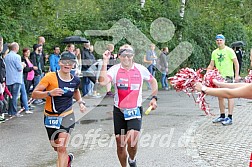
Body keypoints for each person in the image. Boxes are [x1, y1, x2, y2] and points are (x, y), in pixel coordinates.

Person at [99, 44, 158, 167]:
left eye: (129, 55)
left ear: (133, 56)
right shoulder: (115, 69)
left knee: (132, 141)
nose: (126, 58)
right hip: (119, 110)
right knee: (120, 145)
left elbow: (153, 81)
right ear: (119, 56)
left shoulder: (140, 69)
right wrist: (105, 62)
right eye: (123, 55)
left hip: (135, 109)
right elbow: (103, 81)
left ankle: (132, 159)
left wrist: (154, 98)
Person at [32, 51, 86, 167]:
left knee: (61, 148)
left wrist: (80, 102)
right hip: (50, 117)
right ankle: (67, 159)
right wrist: (49, 93)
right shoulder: (50, 77)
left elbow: (76, 91)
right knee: (56, 147)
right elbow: (34, 94)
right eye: (65, 62)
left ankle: (64, 160)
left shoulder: (75, 80)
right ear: (60, 62)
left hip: (67, 116)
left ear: (74, 65)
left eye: (71, 62)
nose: (67, 65)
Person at [206, 34, 239, 125]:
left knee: (230, 96)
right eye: (217, 40)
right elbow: (211, 65)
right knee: (220, 97)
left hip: (228, 76)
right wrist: (207, 73)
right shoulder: (214, 52)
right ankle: (222, 115)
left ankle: (230, 117)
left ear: (224, 41)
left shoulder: (229, 50)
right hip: (218, 77)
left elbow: (236, 63)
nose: (219, 42)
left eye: (220, 40)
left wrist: (236, 76)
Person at [4, 42, 24, 117]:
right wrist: (23, 65)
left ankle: (9, 111)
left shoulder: (6, 57)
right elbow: (19, 68)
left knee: (10, 96)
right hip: (16, 78)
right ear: (15, 48)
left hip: (9, 79)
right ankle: (14, 112)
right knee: (15, 96)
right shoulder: (17, 57)